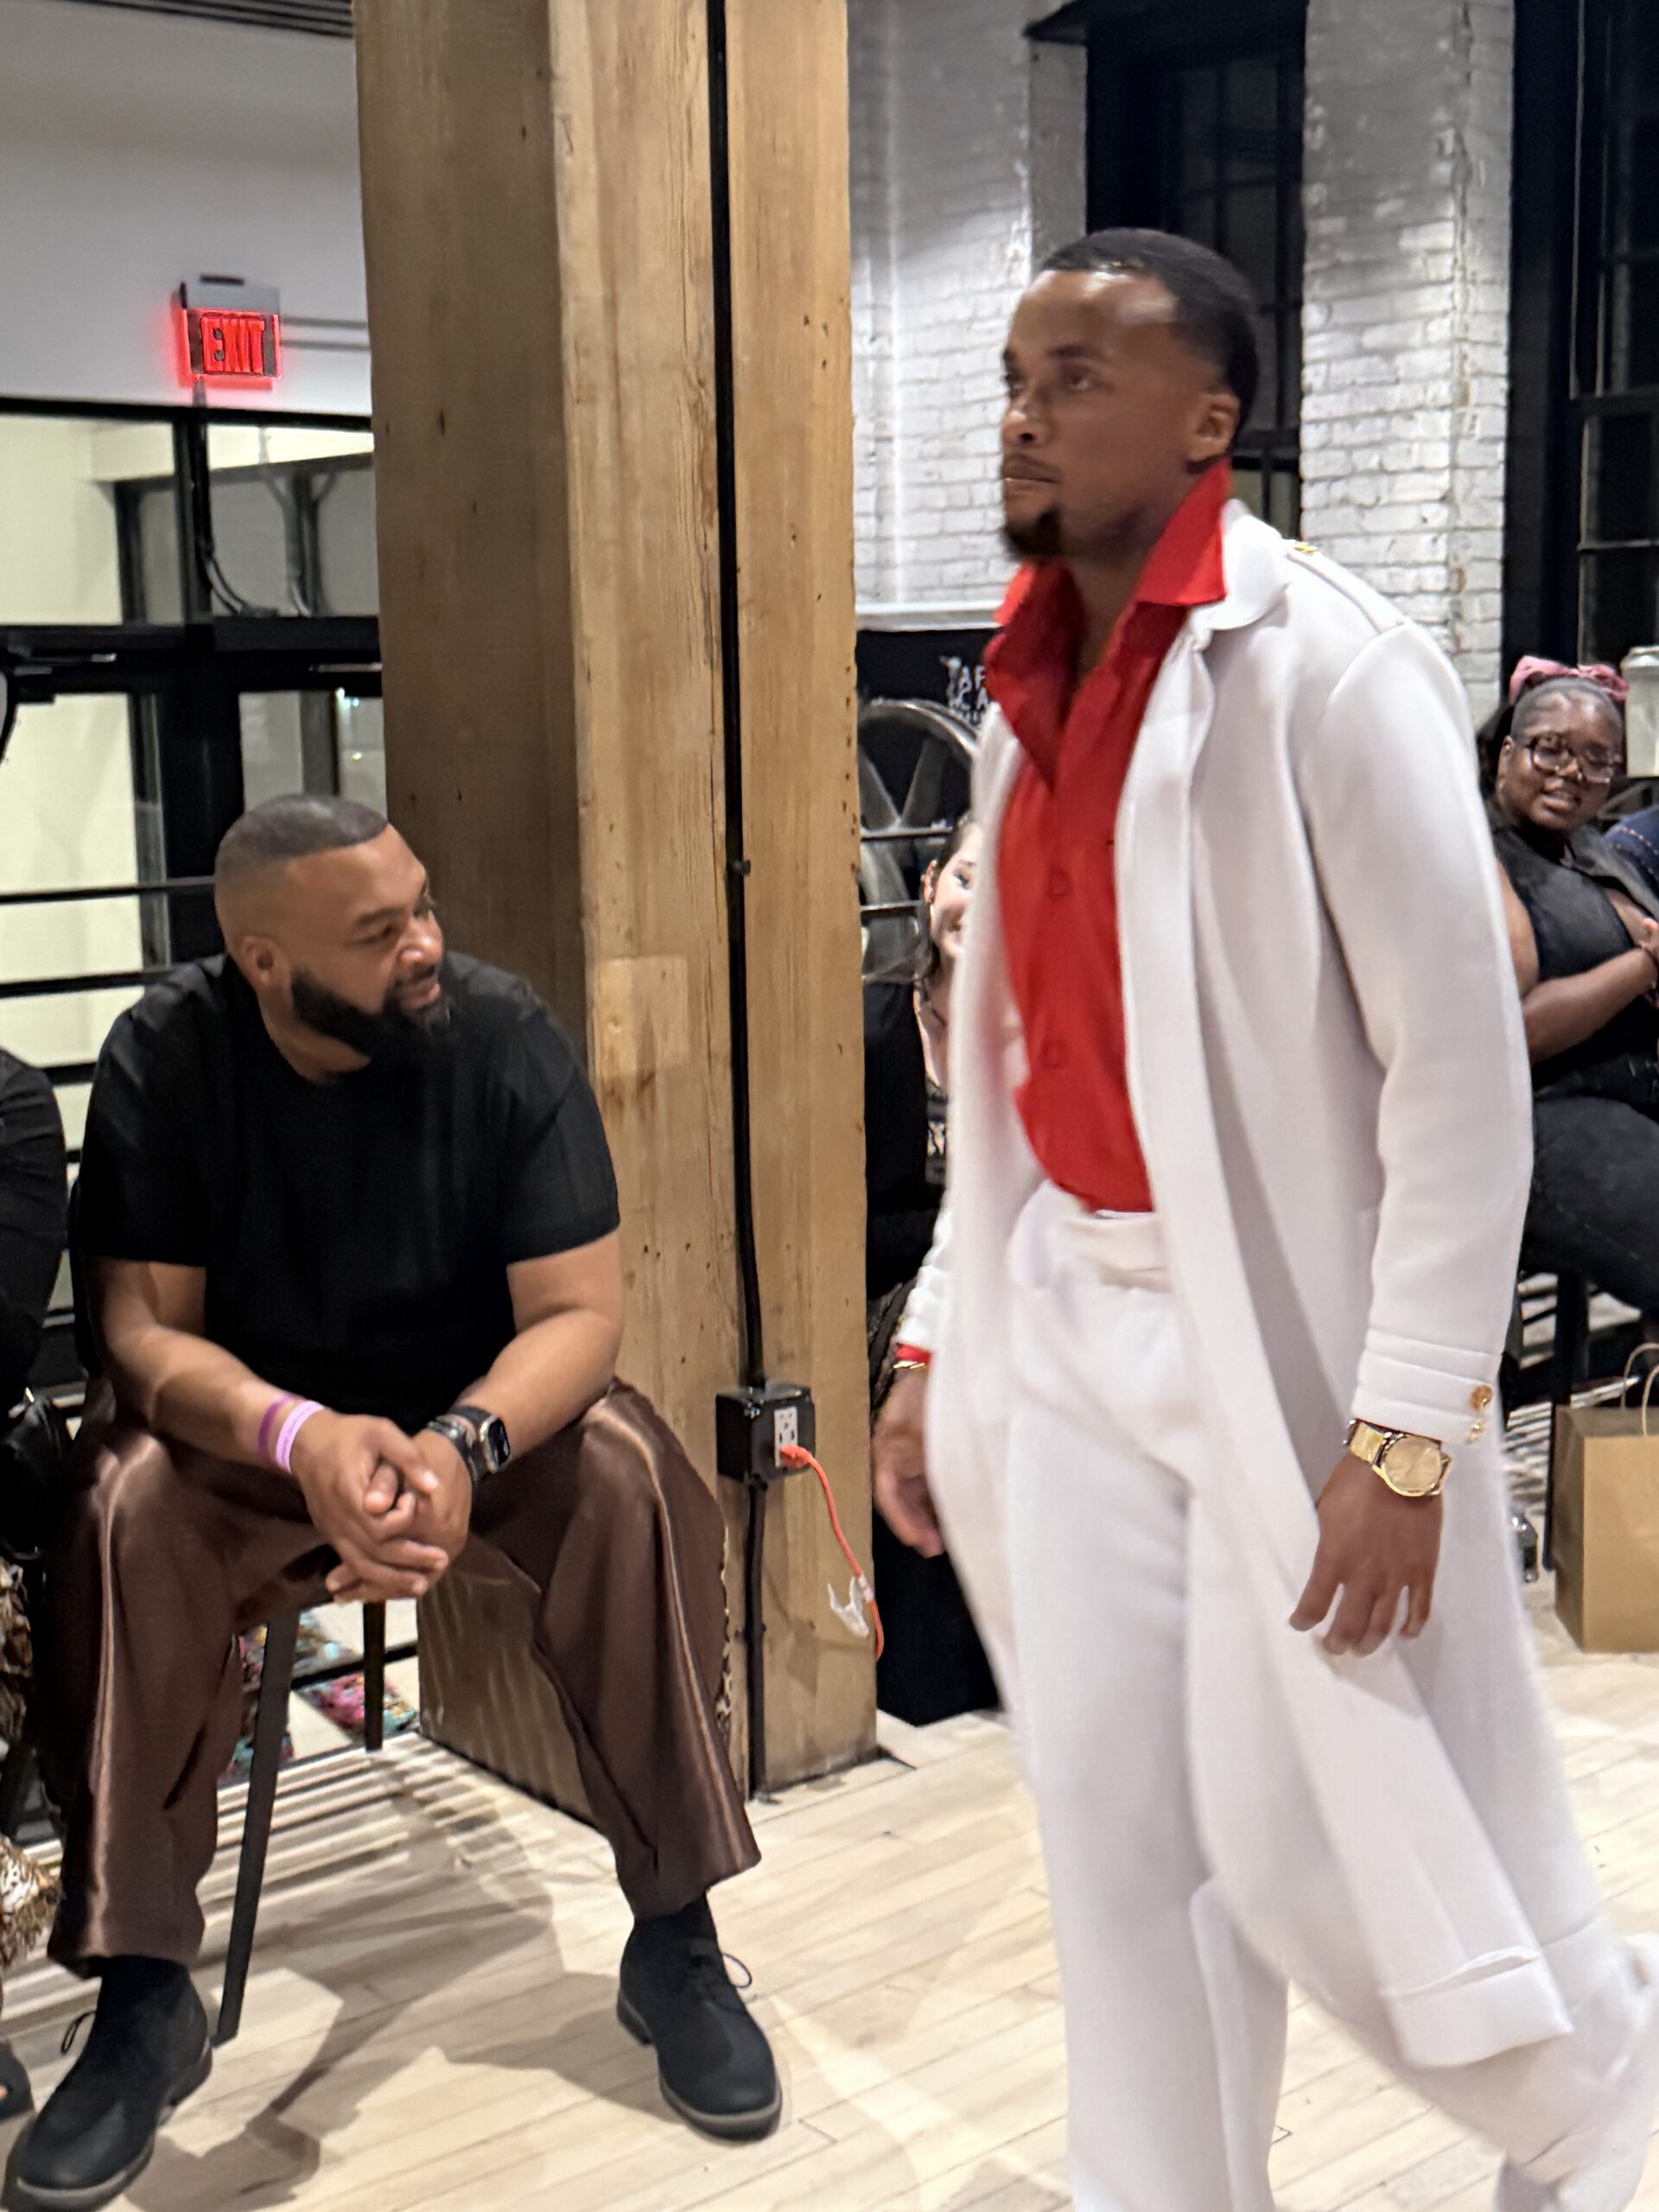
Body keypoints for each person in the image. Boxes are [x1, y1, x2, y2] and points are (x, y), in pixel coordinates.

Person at [873, 226, 1659, 2212]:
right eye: (1016, 379)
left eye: (1081, 379)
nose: (1027, 417)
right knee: (1121, 1839)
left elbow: (1461, 1079)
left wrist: (1407, 1427)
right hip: (1069, 1312)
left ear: (1207, 420)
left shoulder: (1331, 666)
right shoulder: (1027, 679)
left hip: (1284, 1331)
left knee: (1327, 1844)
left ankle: (1601, 2098)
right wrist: (941, 1329)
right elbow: (1021, 1054)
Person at [7, 796, 778, 2212]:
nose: (424, 943)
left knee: (626, 1475)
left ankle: (675, 1932)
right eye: (378, 932)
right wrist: (298, 1437)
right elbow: (138, 1334)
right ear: (264, 959)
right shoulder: (167, 1058)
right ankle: (142, 1990)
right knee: (122, 1504)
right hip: (252, 1441)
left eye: (422, 905)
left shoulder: (502, 1036)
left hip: (472, 1429)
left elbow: (579, 1316)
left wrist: (462, 1448)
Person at [863, 818, 996, 1726]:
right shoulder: (872, 1028)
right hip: (888, 1304)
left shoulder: (1040, 1038)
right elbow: (846, 1224)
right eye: (965, 879)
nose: (977, 905)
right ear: (928, 886)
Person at [1490, 670, 1659, 1319]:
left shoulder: (1587, 849)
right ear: (1508, 753)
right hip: (1544, 1115)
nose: (1570, 772)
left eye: (1595, 759)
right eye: (1549, 749)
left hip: (1632, 1094)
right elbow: (1516, 1031)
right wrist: (1643, 966)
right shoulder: (1480, 855)